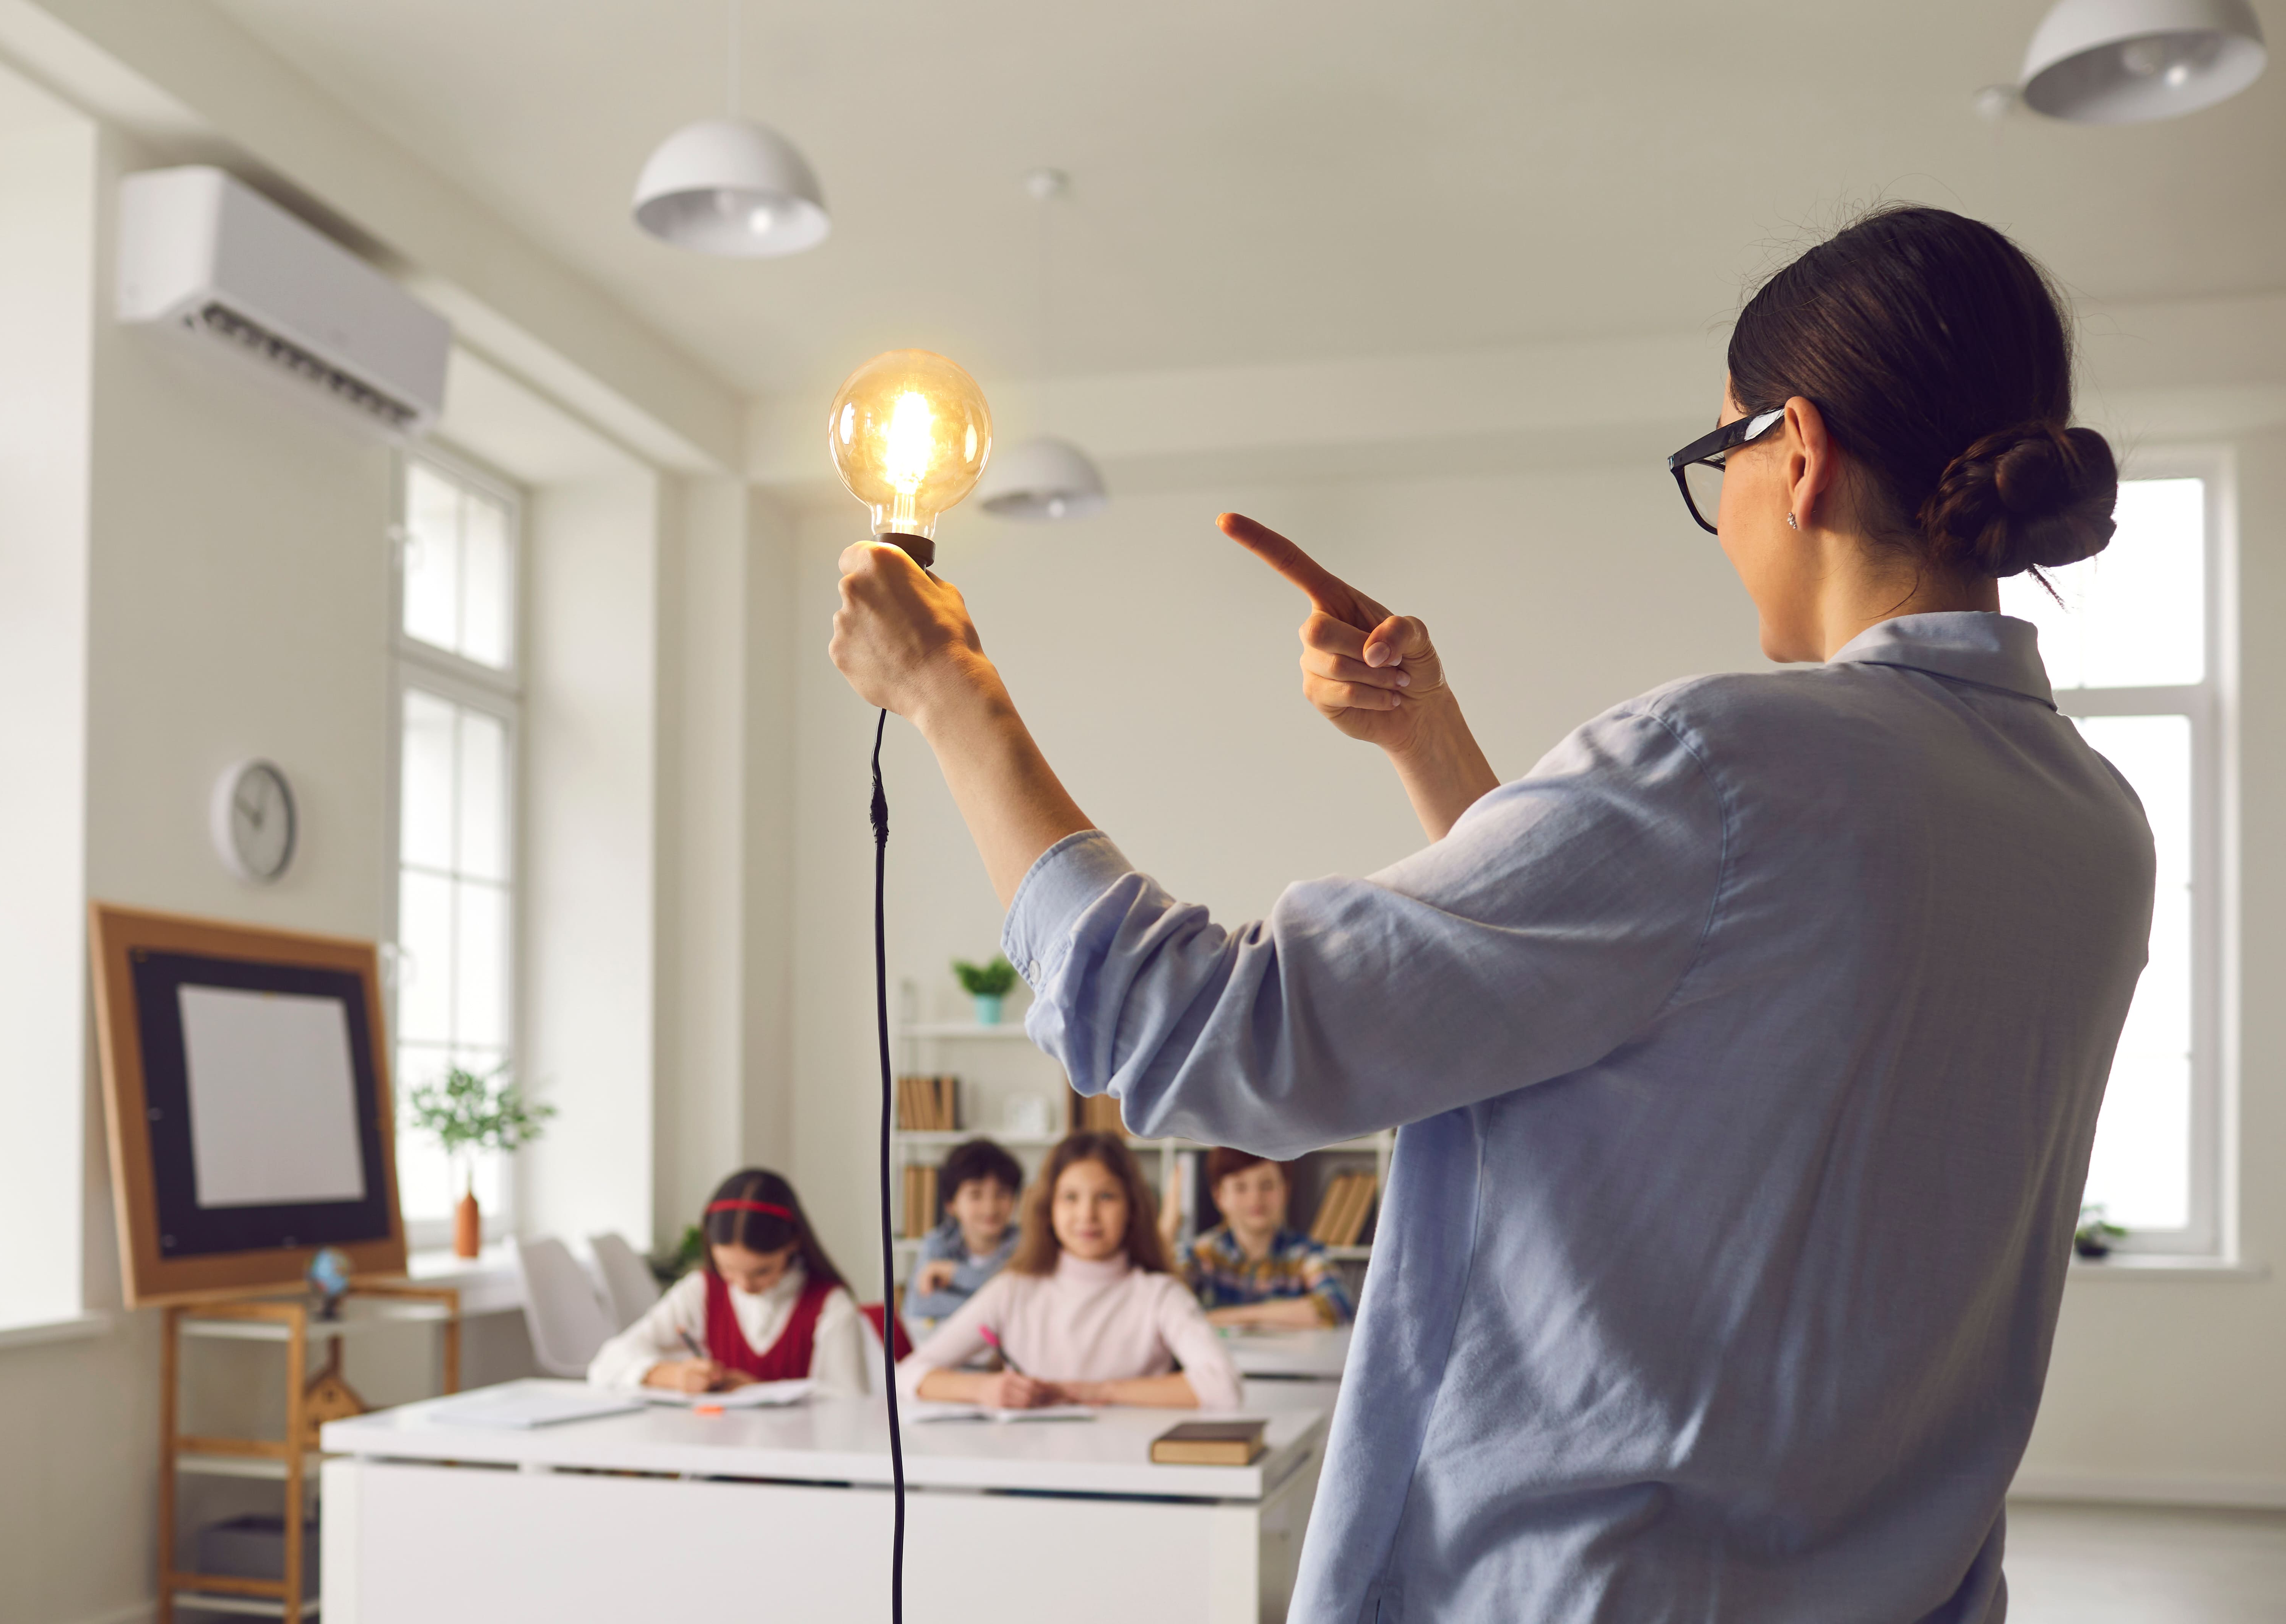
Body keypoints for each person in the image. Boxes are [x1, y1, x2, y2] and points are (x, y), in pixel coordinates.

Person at [828, 205, 2153, 1619]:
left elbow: (1203, 1037)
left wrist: (949, 699)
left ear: (1800, 451)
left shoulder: (1723, 765)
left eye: (1720, 456)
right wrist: (1428, 740)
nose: (1725, 516)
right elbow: (1647, 1023)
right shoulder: (2094, 827)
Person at [896, 1132, 1241, 1410]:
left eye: (1106, 1197)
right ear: (1048, 1210)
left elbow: (1222, 1387)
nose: (1087, 1215)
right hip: (1031, 1478)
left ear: (1132, 1209)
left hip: (1135, 1480)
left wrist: (1090, 1391)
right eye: (1070, 1198)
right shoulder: (1012, 1290)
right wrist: (984, 1388)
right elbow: (908, 1374)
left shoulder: (1159, 1294)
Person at [587, 1168, 868, 1397]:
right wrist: (673, 1375)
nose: (744, 1285)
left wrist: (759, 1392)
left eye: (762, 1271)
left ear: (794, 1243)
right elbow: (606, 1364)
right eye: (728, 1269)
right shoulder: (702, 1290)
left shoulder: (830, 1304)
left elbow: (849, 1402)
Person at [1165, 1148, 1355, 1330]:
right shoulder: (1202, 1253)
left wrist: (1227, 1318)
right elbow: (1165, 1302)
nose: (1256, 1198)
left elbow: (1337, 1307)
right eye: (1241, 1188)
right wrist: (1168, 1225)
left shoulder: (1305, 1254)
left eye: (1267, 1185)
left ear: (1286, 1190)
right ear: (1219, 1197)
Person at [904, 1137, 1023, 1327]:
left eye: (1001, 1194)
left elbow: (1020, 1307)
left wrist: (954, 1273)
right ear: (951, 1204)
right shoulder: (938, 1243)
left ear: (1015, 1201)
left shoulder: (1026, 1245)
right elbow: (917, 1307)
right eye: (976, 1195)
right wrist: (992, 1309)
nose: (990, 1208)